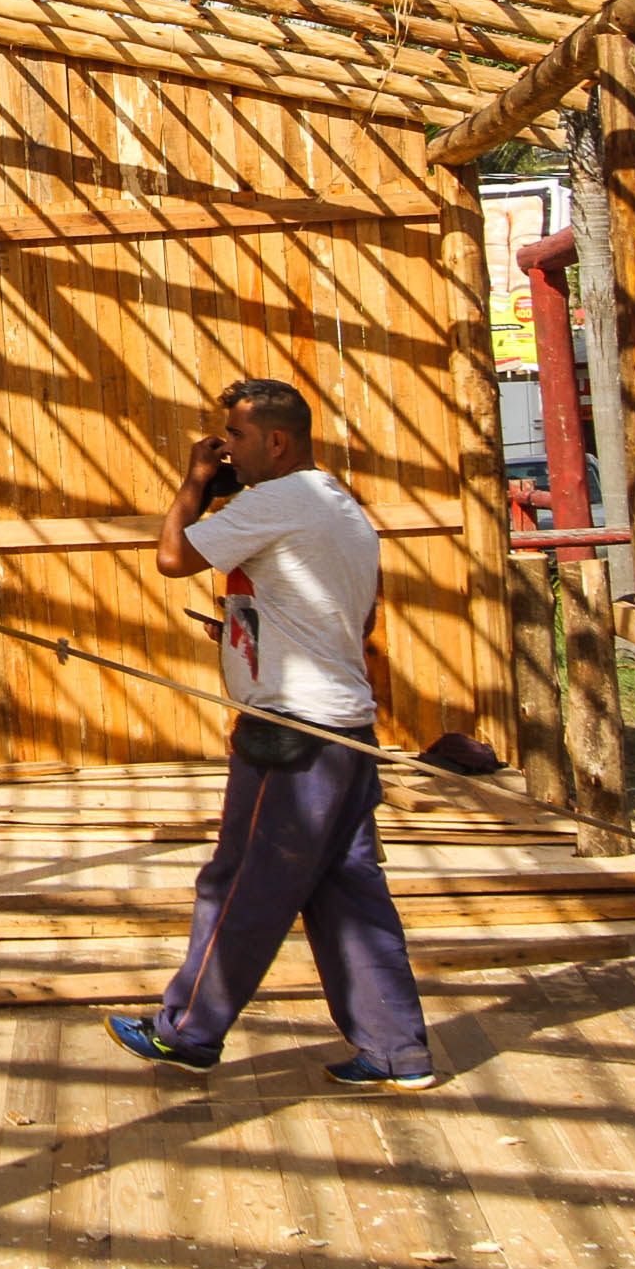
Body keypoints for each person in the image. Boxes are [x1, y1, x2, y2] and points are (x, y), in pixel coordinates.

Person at [104, 376, 441, 1091]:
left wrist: (196, 481)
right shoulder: (337, 503)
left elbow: (173, 558)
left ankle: (187, 1031)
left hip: (292, 732)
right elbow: (362, 617)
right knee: (347, 889)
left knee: (239, 883)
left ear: (278, 440)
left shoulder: (277, 501)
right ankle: (395, 1050)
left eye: (238, 438)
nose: (227, 449)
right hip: (345, 727)